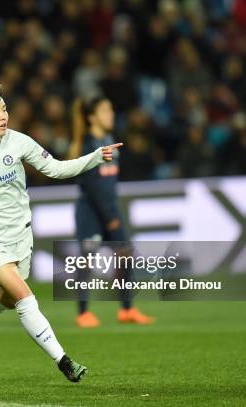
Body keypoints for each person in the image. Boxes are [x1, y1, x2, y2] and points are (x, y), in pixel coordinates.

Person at [0, 77, 121, 382]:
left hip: (20, 236)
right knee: (24, 297)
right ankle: (64, 361)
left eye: (4, 109)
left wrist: (95, 157)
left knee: (8, 299)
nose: (3, 115)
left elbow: (57, 169)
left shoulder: (19, 142)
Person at [68, 97, 154, 328]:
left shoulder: (109, 141)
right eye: (105, 110)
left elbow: (109, 183)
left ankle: (127, 309)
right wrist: (110, 216)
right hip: (92, 212)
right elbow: (93, 185)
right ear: (91, 117)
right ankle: (83, 313)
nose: (111, 114)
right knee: (87, 260)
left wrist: (113, 211)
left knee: (125, 256)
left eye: (111, 109)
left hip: (110, 209)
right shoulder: (87, 146)